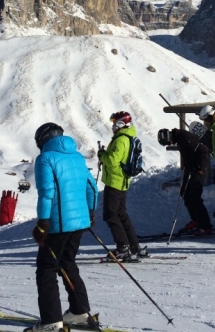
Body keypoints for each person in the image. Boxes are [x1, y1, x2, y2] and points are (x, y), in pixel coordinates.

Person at [30, 122, 99, 332]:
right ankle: (79, 312)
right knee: (67, 262)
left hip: (58, 225)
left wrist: (42, 223)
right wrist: (90, 212)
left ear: (42, 140)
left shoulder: (45, 159)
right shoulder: (77, 157)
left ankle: (51, 322)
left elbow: (46, 193)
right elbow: (92, 188)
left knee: (46, 269)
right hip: (79, 223)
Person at [97, 111, 145, 261]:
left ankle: (123, 247)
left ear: (120, 123)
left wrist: (101, 155)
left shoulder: (120, 140)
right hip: (121, 181)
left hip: (115, 181)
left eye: (114, 122)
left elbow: (112, 161)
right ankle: (134, 246)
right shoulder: (127, 137)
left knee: (111, 214)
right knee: (121, 214)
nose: (112, 125)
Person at [157, 128, 212, 235]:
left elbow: (202, 150)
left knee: (195, 197)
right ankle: (196, 220)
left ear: (169, 137)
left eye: (168, 142)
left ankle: (205, 226)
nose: (170, 144)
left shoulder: (186, 138)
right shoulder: (179, 138)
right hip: (190, 168)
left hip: (198, 168)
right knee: (185, 192)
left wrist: (201, 168)